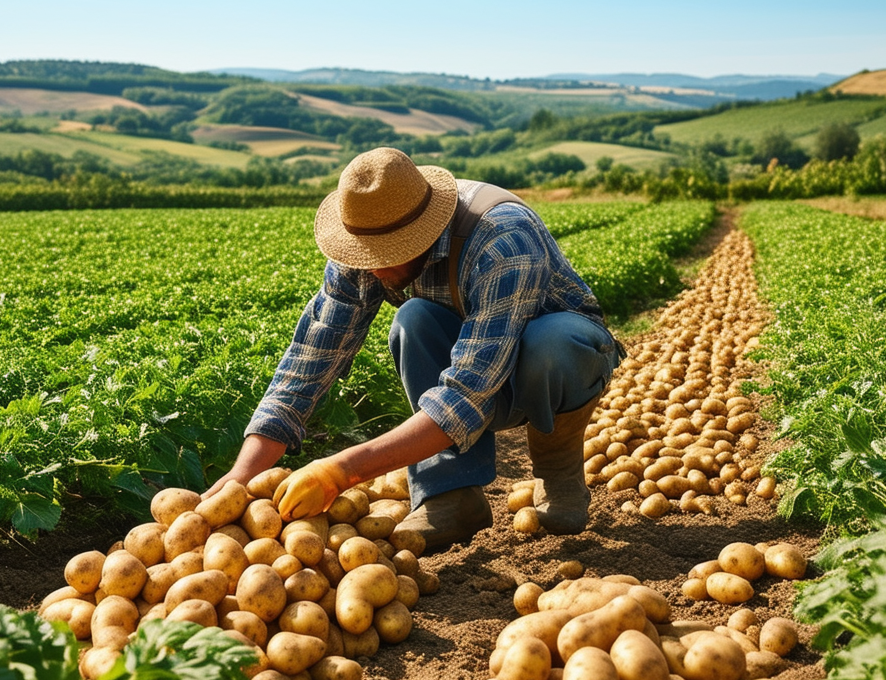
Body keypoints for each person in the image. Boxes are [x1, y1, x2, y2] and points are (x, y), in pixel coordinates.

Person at [205, 147, 618, 551]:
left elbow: (466, 395)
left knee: (551, 344)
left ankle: (559, 470)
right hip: (474, 363)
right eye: (368, 256)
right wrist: (241, 477)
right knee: (414, 318)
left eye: (392, 253)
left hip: (557, 363)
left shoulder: (504, 240)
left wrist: (341, 471)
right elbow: (310, 359)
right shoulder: (362, 246)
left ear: (428, 230)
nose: (376, 268)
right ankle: (450, 495)